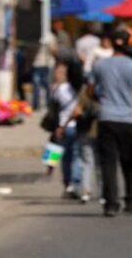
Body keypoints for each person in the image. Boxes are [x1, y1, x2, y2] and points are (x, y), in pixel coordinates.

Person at [89, 30, 132, 216]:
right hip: (127, 119)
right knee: (130, 162)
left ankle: (111, 204)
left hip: (106, 118)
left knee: (108, 163)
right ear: (128, 43)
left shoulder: (100, 65)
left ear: (111, 43)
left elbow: (90, 91)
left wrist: (101, 98)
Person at [50, 63, 83, 199]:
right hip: (75, 125)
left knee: (65, 157)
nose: (56, 75)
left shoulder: (58, 90)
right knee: (75, 156)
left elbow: (53, 110)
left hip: (63, 126)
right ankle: (75, 183)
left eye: (59, 73)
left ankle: (68, 183)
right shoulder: (76, 89)